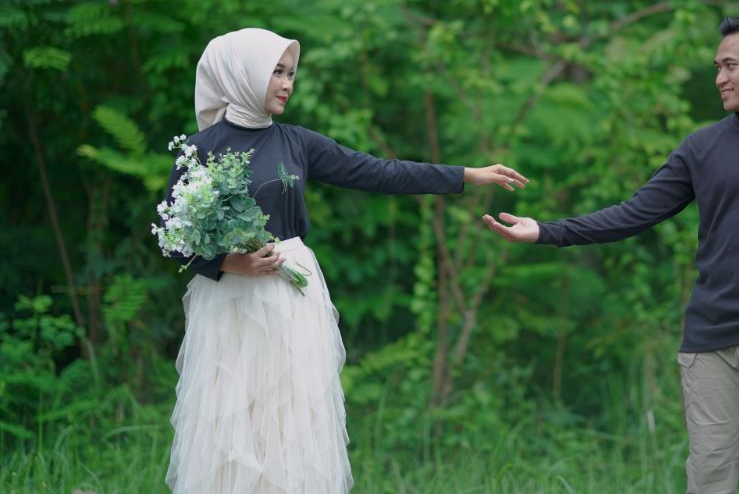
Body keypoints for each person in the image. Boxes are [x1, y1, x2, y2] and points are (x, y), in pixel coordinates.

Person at [482, 17, 739, 494]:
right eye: (717, 67)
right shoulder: (702, 147)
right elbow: (634, 214)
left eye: (730, 65)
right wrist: (547, 231)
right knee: (708, 480)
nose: (720, 78)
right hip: (710, 342)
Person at [164, 28, 528, 494]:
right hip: (230, 304)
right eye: (276, 72)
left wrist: (466, 175)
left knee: (289, 423)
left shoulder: (297, 143)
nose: (287, 83)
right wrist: (234, 264)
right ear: (243, 73)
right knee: (231, 420)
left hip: (289, 298)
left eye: (291, 73)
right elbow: (175, 239)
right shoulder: (201, 150)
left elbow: (379, 172)